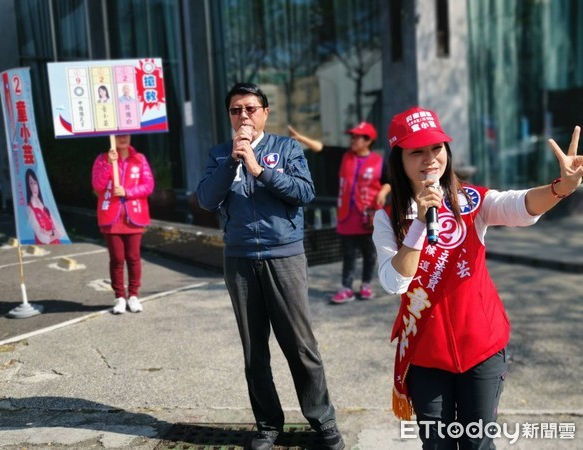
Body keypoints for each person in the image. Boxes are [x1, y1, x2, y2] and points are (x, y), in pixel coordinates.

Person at [373, 106, 582, 449]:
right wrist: (420, 226)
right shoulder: (387, 219)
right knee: (437, 444)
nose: (430, 159)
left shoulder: (472, 200)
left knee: (477, 443)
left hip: (481, 348)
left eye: (436, 148)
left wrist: (562, 187)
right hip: (426, 355)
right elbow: (393, 282)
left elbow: (520, 205)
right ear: (399, 159)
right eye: (417, 152)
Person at [196, 82, 345, 450]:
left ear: (264, 112)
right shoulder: (219, 154)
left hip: (285, 255)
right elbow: (206, 199)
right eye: (235, 110)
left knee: (300, 345)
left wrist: (258, 169)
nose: (243, 116)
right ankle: (267, 425)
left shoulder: (286, 148)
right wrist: (233, 160)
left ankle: (322, 421)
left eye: (250, 108)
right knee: (254, 349)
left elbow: (304, 192)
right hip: (240, 258)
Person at [288, 123, 391, 304]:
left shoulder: (378, 161)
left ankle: (366, 285)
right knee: (348, 254)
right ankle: (346, 288)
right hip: (347, 216)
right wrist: (302, 138)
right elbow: (322, 149)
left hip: (368, 216)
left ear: (368, 141)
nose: (352, 140)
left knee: (369, 254)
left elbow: (389, 181)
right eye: (351, 136)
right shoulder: (343, 155)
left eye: (357, 137)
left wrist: (383, 192)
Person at [91, 134, 154, 314]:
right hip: (111, 217)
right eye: (118, 135)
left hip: (134, 216)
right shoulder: (102, 159)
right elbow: (98, 186)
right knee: (117, 259)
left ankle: (133, 295)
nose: (123, 138)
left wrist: (127, 191)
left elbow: (148, 186)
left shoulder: (139, 159)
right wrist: (109, 165)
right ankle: (119, 297)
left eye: (126, 134)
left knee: (134, 258)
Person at [25, 168, 65, 244]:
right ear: (28, 186)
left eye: (35, 183)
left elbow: (61, 230)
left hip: (57, 245)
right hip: (43, 248)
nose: (34, 187)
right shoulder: (29, 209)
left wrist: (49, 232)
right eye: (31, 183)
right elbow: (42, 237)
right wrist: (54, 234)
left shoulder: (45, 207)